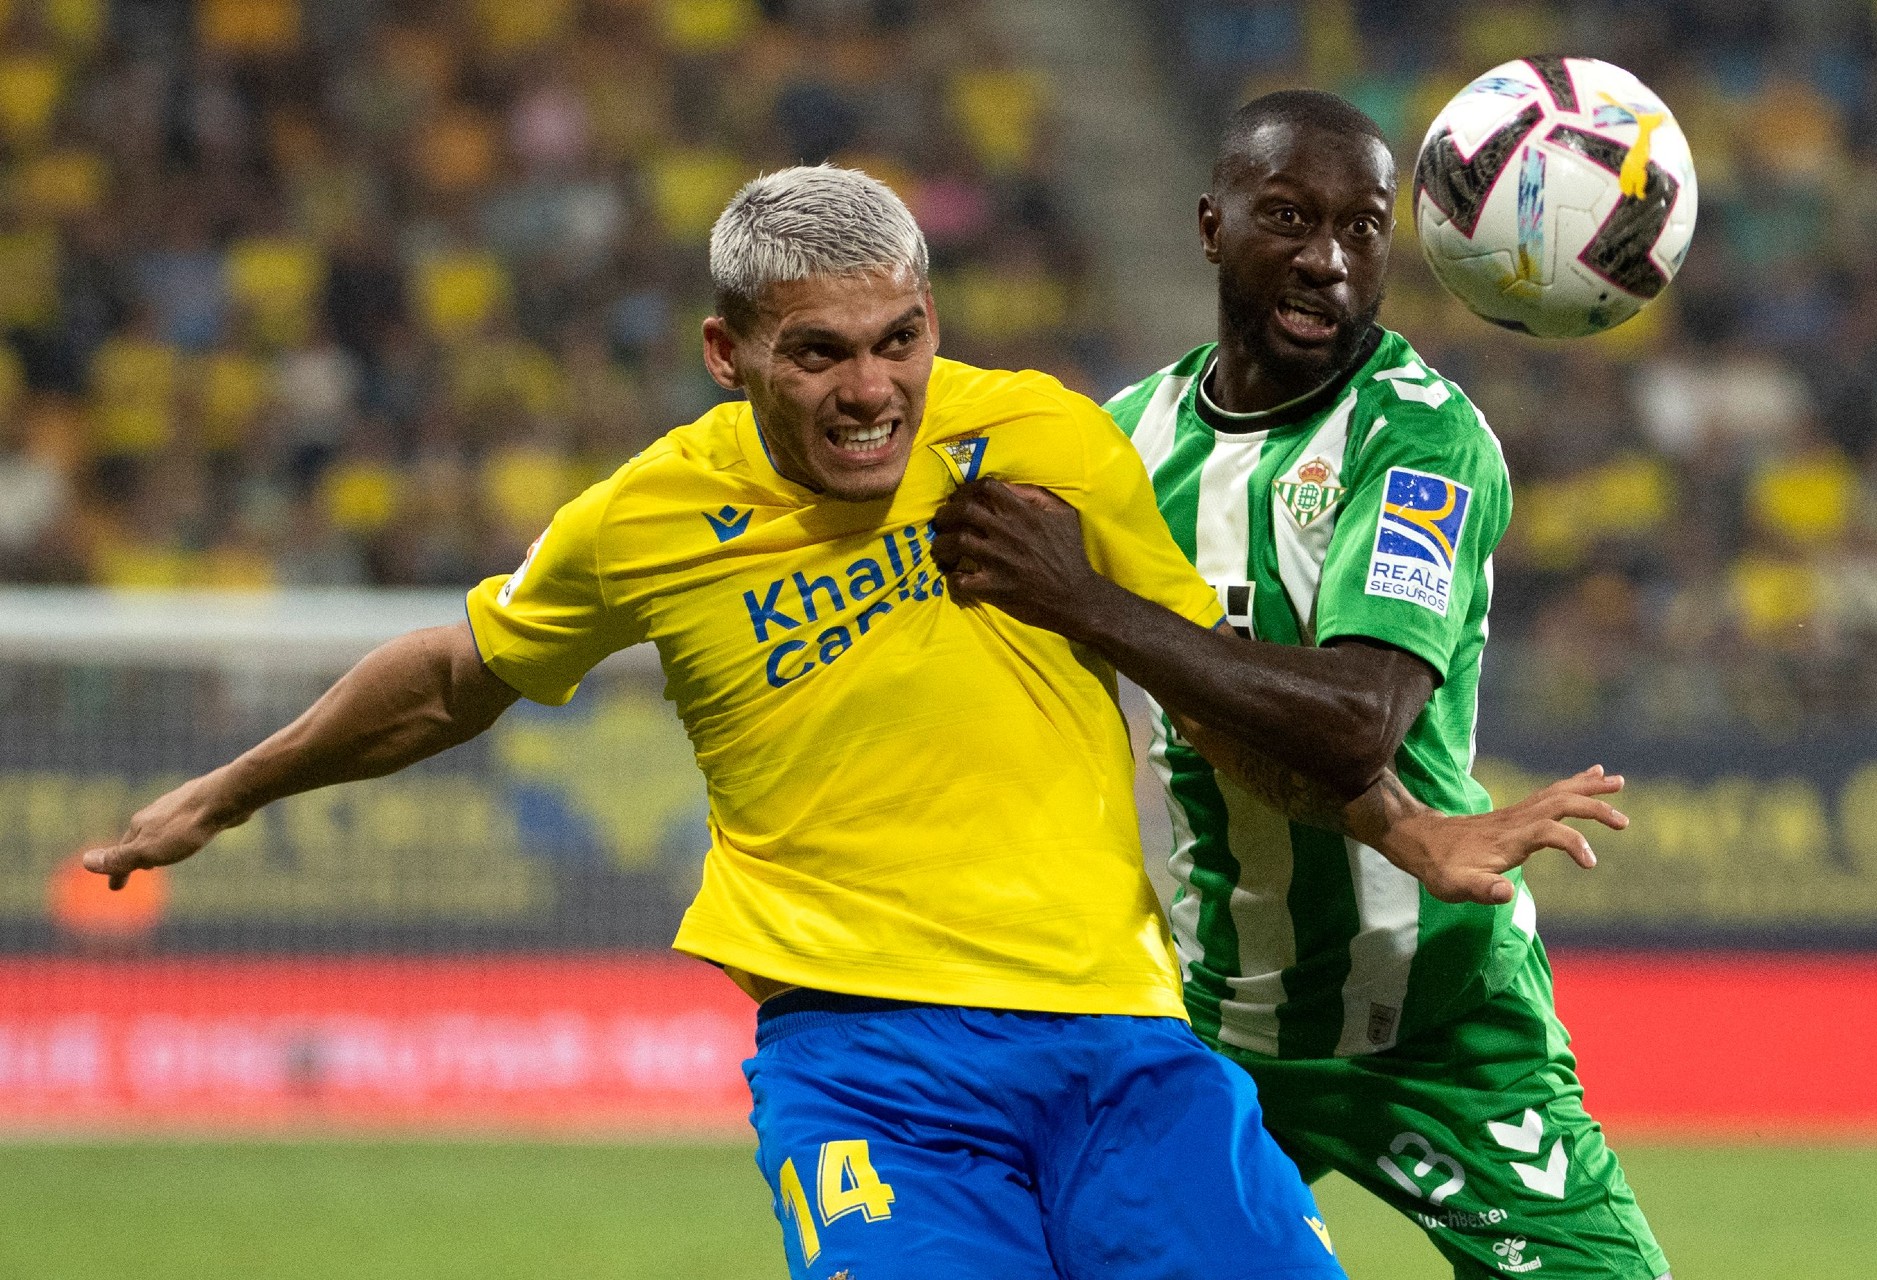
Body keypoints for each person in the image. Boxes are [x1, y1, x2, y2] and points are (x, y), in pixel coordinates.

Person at [84, 165, 1621, 1280]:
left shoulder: (1042, 439)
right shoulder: (647, 521)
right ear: (727, 352)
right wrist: (223, 795)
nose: (872, 389)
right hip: (871, 1071)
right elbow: (447, 678)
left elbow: (1198, 684)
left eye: (898, 341)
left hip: (1125, 1049)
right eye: (818, 352)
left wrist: (1408, 824)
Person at [932, 93, 1670, 1280]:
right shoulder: (1124, 448)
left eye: (1362, 227)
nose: (1326, 258)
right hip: (1205, 1028)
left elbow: (1350, 720)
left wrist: (1088, 599)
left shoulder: (1420, 440)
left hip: (1436, 1018)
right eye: (1286, 217)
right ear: (1210, 225)